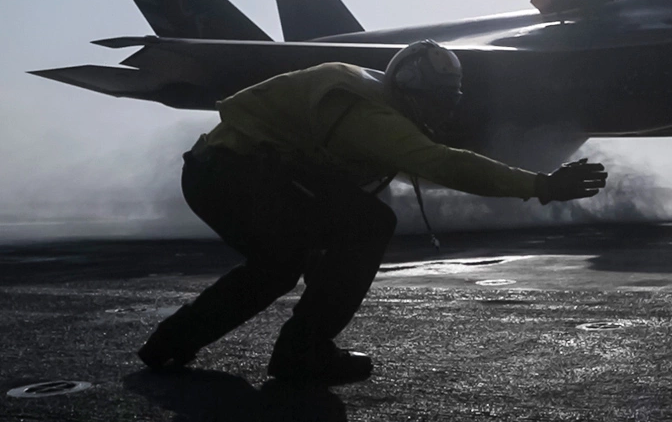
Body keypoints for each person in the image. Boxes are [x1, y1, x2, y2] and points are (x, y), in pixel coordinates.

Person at [137, 40, 608, 384]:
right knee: (366, 225)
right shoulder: (371, 113)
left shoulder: (374, 97)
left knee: (281, 265)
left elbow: (326, 184)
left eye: (449, 99)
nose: (443, 111)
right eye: (438, 99)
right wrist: (541, 185)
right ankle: (303, 352)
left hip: (227, 176)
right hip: (232, 177)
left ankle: (170, 345)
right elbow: (440, 162)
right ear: (413, 90)